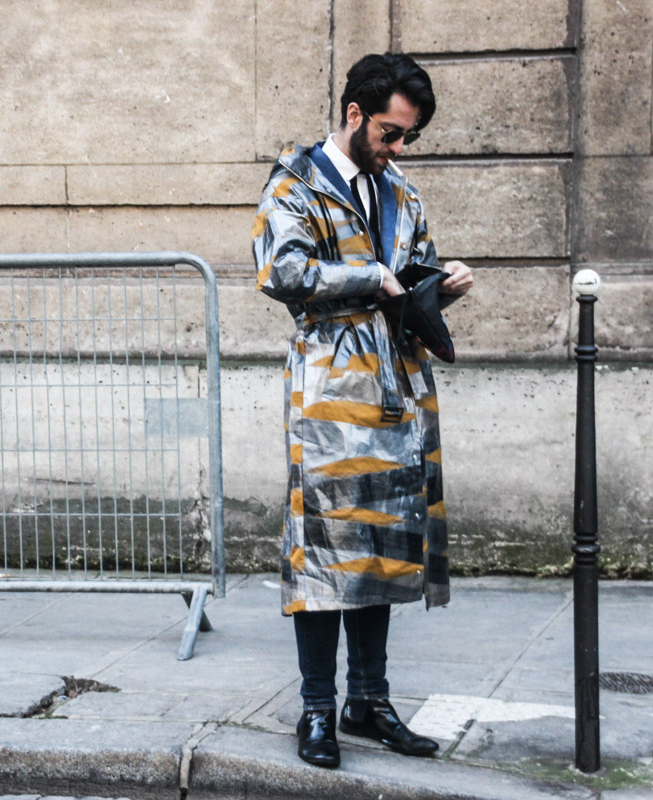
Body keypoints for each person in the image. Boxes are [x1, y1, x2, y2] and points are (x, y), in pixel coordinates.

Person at [251, 52, 474, 769]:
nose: (398, 147)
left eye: (406, 136)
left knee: (378, 545)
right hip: (328, 392)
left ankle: (369, 702)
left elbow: (413, 274)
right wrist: (370, 278)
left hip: (395, 389)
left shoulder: (399, 190)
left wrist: (440, 285)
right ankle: (317, 710)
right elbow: (281, 272)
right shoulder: (296, 183)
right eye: (389, 132)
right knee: (323, 552)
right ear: (354, 114)